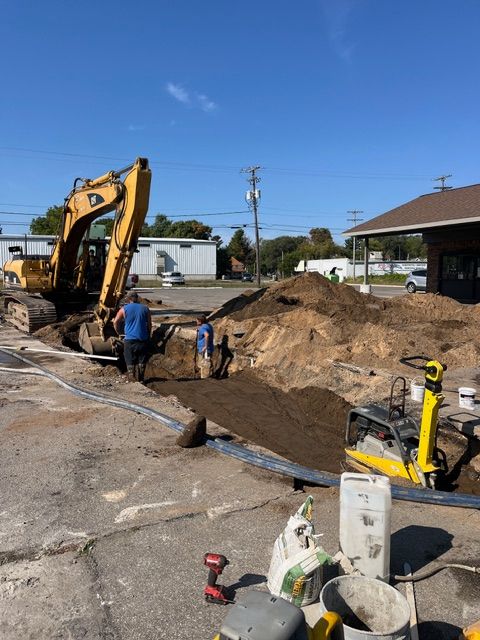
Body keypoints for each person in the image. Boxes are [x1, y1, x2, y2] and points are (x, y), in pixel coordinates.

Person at [113, 291, 152, 382]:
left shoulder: (124, 309)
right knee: (142, 360)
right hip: (143, 339)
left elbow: (115, 322)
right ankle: (141, 379)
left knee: (129, 358)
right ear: (137, 298)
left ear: (128, 299)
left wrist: (119, 332)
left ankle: (132, 377)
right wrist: (148, 335)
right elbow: (149, 324)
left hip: (129, 340)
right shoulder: (146, 308)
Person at [196, 315, 214, 379]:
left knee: (202, 365)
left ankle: (203, 379)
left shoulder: (202, 328)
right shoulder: (209, 326)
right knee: (208, 364)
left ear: (200, 321)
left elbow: (207, 335)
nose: (196, 321)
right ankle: (209, 376)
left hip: (203, 349)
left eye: (197, 320)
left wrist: (205, 346)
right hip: (210, 348)